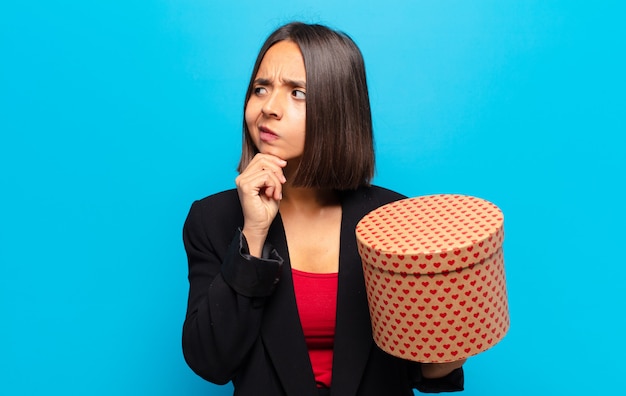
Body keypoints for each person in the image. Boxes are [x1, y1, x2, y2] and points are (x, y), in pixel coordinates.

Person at [182, 22, 466, 396]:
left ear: (338, 107)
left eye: (297, 92)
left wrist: (458, 325)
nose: (269, 108)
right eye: (260, 88)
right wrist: (252, 236)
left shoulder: (396, 218)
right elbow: (209, 362)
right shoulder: (213, 219)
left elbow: (428, 373)